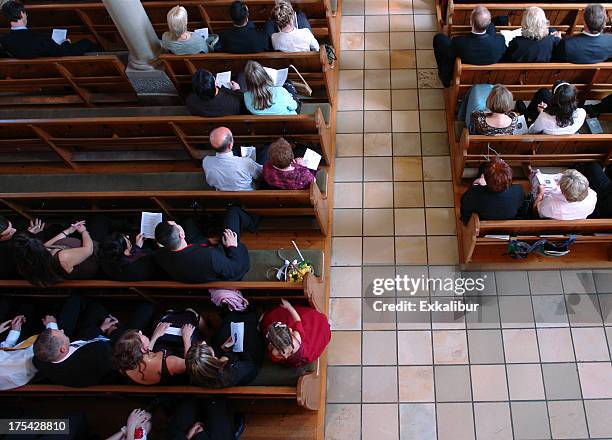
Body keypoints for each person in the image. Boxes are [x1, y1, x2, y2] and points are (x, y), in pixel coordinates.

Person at [32, 294, 154, 387]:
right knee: (145, 310)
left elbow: (83, 342)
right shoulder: (98, 355)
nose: (62, 331)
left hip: (90, 340)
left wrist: (101, 328)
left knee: (95, 308)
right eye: (61, 334)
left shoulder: (40, 359)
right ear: (63, 349)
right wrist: (112, 332)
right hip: (117, 351)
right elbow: (120, 351)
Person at [153, 207, 256, 283]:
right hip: (225, 267)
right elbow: (235, 269)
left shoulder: (161, 256)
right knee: (233, 212)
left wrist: (206, 241)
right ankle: (253, 223)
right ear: (182, 234)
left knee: (188, 221)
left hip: (192, 259)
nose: (175, 223)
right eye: (176, 225)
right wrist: (232, 247)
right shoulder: (210, 256)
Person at [113, 310, 198, 385]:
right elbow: (190, 365)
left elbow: (145, 354)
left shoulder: (126, 364)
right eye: (140, 335)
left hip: (162, 361)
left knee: (161, 325)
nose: (140, 331)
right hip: (181, 368)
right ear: (143, 349)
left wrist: (155, 336)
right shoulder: (170, 362)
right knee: (190, 316)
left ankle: (169, 313)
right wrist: (186, 338)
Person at [186, 311, 265, 388]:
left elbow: (220, 359)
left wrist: (225, 351)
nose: (203, 342)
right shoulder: (232, 374)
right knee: (248, 329)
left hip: (225, 357)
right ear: (213, 359)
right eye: (206, 346)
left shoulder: (198, 371)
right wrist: (234, 350)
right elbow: (250, 365)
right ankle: (252, 314)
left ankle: (240, 312)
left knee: (229, 323)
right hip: (248, 363)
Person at [433, 6, 506, 87]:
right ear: (488, 24)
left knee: (439, 38)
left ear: (471, 22)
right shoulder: (500, 41)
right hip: (488, 77)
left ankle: (444, 77)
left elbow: (449, 55)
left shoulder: (459, 42)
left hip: (463, 76)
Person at [12, 220, 98, 286]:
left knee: (72, 221)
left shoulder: (36, 258)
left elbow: (47, 245)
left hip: (74, 248)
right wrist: (84, 231)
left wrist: (68, 231)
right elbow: (88, 250)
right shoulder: (62, 259)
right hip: (93, 256)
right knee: (99, 220)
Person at [0, 1, 96, 58]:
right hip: (52, 68)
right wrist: (65, 42)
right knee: (86, 42)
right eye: (25, 13)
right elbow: (62, 53)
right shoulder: (38, 38)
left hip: (30, 72)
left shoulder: (4, 40)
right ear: (21, 13)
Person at [260, 299, 330, 368]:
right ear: (290, 332)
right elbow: (297, 320)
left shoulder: (275, 353)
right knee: (312, 321)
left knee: (270, 319)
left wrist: (271, 348)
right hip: (300, 357)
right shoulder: (297, 337)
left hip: (294, 360)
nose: (285, 356)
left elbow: (274, 356)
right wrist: (289, 307)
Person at [460, 157, 525, 224]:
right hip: (506, 221)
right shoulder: (518, 190)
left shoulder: (475, 192)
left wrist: (476, 185)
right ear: (509, 178)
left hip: (482, 220)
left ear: (485, 178)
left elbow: (463, 203)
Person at [202, 127, 263, 191]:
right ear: (230, 145)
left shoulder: (206, 161)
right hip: (247, 194)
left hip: (221, 192)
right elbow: (260, 175)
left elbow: (210, 183)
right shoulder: (246, 162)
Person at [533, 168, 597, 220]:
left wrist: (540, 194)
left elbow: (536, 211)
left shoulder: (551, 204)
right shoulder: (593, 196)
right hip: (575, 224)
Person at [0, 310, 38, 390]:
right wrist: (52, 326)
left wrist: (14, 331)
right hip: (38, 355)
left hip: (19, 350)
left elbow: (4, 354)